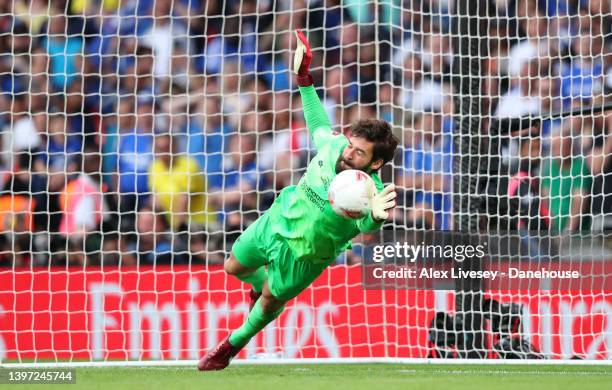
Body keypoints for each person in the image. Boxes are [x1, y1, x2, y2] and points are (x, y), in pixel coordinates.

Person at [197, 30, 399, 371]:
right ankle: (263, 289)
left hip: (304, 254)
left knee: (272, 298)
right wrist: (304, 79)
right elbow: (318, 123)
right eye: (351, 144)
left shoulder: (369, 191)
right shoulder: (335, 145)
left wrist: (376, 218)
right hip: (276, 222)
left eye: (360, 152)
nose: (350, 152)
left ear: (376, 162)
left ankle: (230, 347)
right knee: (233, 267)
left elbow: (363, 224)